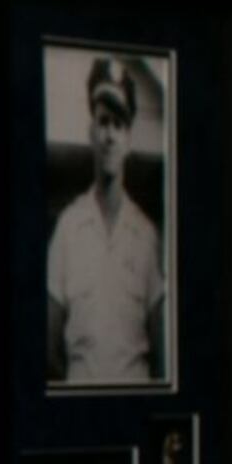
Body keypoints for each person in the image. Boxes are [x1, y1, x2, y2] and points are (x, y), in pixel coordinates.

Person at [43, 52, 165, 386]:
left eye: (119, 124)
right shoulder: (68, 228)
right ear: (91, 132)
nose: (110, 135)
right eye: (103, 121)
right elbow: (49, 348)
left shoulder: (146, 235)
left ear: (129, 139)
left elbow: (162, 351)